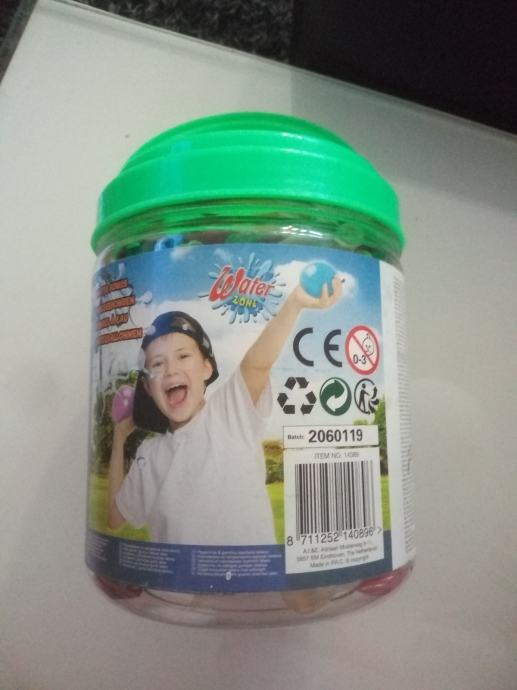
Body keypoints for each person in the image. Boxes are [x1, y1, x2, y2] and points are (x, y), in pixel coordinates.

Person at [107, 277, 343, 546]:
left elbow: (257, 364)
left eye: (183, 356)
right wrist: (119, 439)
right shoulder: (150, 455)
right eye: (158, 364)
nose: (171, 370)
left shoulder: (229, 412)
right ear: (148, 388)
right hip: (178, 574)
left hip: (248, 571)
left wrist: (294, 304)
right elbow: (115, 518)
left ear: (207, 368)